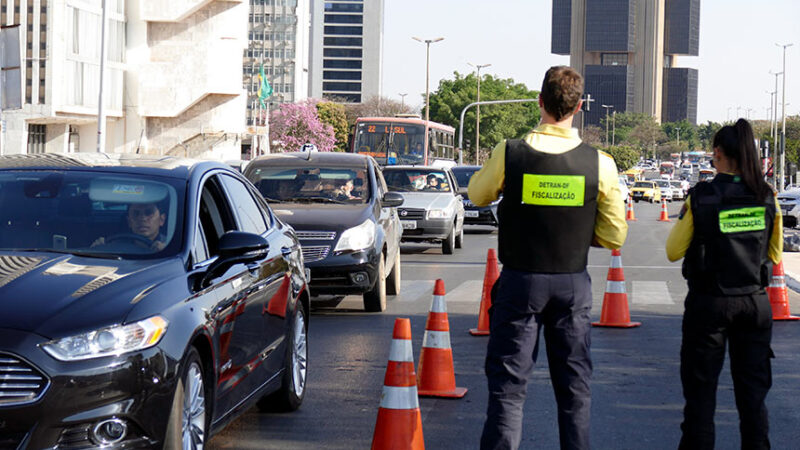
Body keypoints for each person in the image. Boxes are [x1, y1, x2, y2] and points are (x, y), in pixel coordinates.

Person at [468, 66, 628, 450]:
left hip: (520, 282)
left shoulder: (510, 152)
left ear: (539, 102)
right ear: (578, 107)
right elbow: (614, 234)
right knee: (575, 390)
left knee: (508, 390)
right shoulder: (600, 162)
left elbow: (477, 195)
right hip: (572, 284)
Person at [666, 119, 782, 450]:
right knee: (753, 398)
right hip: (753, 305)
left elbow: (673, 252)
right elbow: (773, 253)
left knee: (701, 398)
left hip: (709, 304)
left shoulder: (700, 197)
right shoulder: (766, 197)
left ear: (717, 154)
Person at [92, 202, 167, 251]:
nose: (142, 219)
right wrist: (98, 248)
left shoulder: (172, 247)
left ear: (161, 220)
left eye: (149, 213)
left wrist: (165, 252)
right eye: (136, 213)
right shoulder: (113, 246)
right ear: (129, 222)